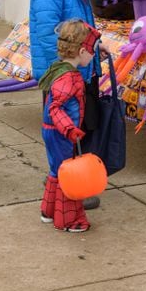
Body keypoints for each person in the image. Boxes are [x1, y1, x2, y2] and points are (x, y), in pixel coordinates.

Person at [25, 0, 108, 210]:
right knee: (64, 134)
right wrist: (68, 72)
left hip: (76, 71)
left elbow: (76, 27)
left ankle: (72, 185)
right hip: (65, 77)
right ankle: (68, 190)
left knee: (75, 131)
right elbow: (52, 35)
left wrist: (94, 46)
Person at [38, 19, 101, 232]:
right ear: (82, 51)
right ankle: (70, 220)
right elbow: (56, 107)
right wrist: (70, 129)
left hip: (52, 131)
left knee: (57, 170)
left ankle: (48, 211)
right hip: (61, 132)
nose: (93, 56)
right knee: (68, 175)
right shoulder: (70, 78)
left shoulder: (58, 70)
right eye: (92, 51)